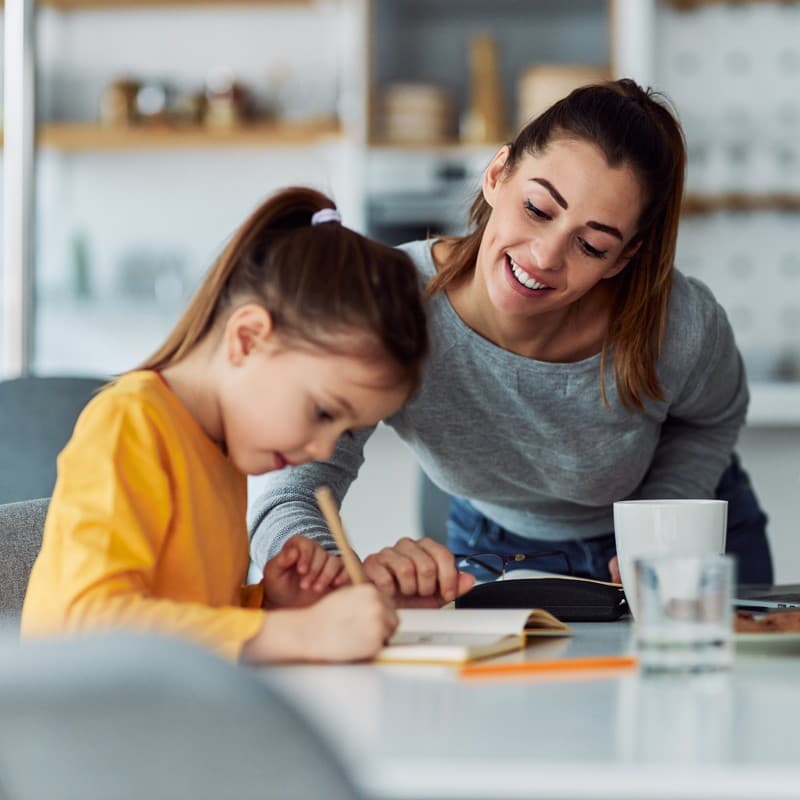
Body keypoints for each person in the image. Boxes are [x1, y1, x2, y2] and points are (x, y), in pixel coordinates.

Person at [248, 79, 773, 604]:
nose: (545, 256)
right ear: (498, 174)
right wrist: (336, 585)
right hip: (494, 550)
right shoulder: (388, 303)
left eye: (590, 245)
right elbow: (294, 487)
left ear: (623, 258)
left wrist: (665, 518)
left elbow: (712, 418)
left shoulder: (678, 322)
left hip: (684, 545)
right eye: (539, 210)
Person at [21, 186, 431, 663]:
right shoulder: (132, 423)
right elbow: (91, 624)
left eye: (342, 431)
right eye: (322, 412)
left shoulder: (223, 451)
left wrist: (271, 605)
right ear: (248, 339)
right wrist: (295, 635)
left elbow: (185, 617)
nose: (322, 451)